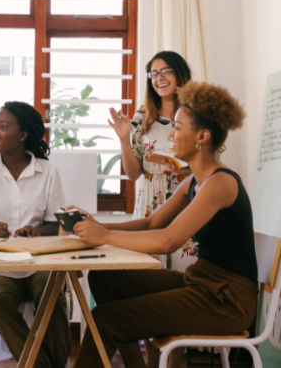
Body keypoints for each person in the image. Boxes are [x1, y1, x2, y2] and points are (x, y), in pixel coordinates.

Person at [69, 81, 257, 368]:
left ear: (203, 136)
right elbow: (151, 222)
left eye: (178, 128)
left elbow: (168, 240)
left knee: (106, 320)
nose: (170, 133)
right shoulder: (193, 181)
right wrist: (96, 224)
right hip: (202, 282)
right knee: (104, 278)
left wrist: (104, 235)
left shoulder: (220, 183)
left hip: (226, 300)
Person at [0, 101, 70, 368]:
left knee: (53, 301)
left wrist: (36, 230)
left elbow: (55, 224)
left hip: (39, 262)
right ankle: (41, 365)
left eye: (3, 126)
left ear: (23, 136)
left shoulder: (47, 172)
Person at [107, 51, 192, 367]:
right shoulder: (142, 118)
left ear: (180, 74)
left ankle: (176, 361)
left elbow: (212, 161)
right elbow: (133, 173)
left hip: (186, 200)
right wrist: (124, 139)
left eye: (166, 71)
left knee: (180, 289)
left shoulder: (198, 115)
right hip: (149, 204)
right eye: (154, 73)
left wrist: (185, 170)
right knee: (147, 290)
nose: (159, 77)